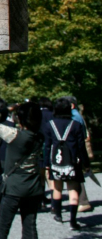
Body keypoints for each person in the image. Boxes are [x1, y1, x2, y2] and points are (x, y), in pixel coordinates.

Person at [0, 101, 45, 239]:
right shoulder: (39, 137)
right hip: (33, 187)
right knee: (30, 227)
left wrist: (6, 109)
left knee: (2, 228)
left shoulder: (15, 135)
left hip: (14, 187)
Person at [44, 97, 89, 230]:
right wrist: (86, 164)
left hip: (56, 161)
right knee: (73, 189)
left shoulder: (50, 124)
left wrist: (47, 163)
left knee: (57, 187)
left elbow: (47, 146)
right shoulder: (76, 125)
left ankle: (58, 215)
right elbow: (81, 147)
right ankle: (73, 220)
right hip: (72, 161)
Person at [68, 96, 93, 213]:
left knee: (76, 175)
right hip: (78, 148)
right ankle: (81, 201)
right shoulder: (77, 115)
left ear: (72, 105)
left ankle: (83, 201)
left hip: (76, 149)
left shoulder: (74, 116)